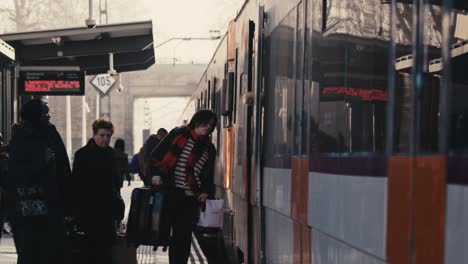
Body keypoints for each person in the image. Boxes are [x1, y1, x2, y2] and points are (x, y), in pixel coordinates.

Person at [6, 99, 72, 264]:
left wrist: (69, 206)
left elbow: (63, 169)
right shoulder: (21, 137)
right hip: (28, 210)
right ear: (35, 114)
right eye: (44, 112)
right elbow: (16, 172)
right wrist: (41, 161)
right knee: (32, 253)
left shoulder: (50, 133)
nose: (48, 116)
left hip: (50, 205)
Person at [150, 110, 217, 264]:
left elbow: (209, 174)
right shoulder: (178, 134)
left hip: (190, 198)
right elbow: (156, 155)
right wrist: (155, 175)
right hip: (171, 193)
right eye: (205, 123)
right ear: (196, 121)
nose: (207, 127)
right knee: (166, 233)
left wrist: (206, 192)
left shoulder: (209, 148)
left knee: (183, 237)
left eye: (211, 126)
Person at [71, 119, 120, 264]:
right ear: (94, 135)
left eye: (108, 136)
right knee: (90, 250)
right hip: (88, 211)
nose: (105, 139)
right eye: (102, 135)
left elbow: (116, 183)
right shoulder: (82, 155)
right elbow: (76, 184)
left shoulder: (112, 154)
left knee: (106, 250)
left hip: (107, 210)